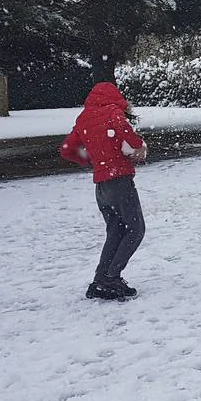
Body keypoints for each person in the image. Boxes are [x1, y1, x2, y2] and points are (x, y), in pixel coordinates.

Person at [60, 82, 148, 300]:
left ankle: (100, 280)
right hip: (119, 181)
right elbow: (127, 134)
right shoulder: (113, 112)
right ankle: (111, 277)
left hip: (101, 187)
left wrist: (91, 161)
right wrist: (138, 146)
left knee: (116, 231)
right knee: (136, 229)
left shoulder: (83, 118)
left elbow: (67, 149)